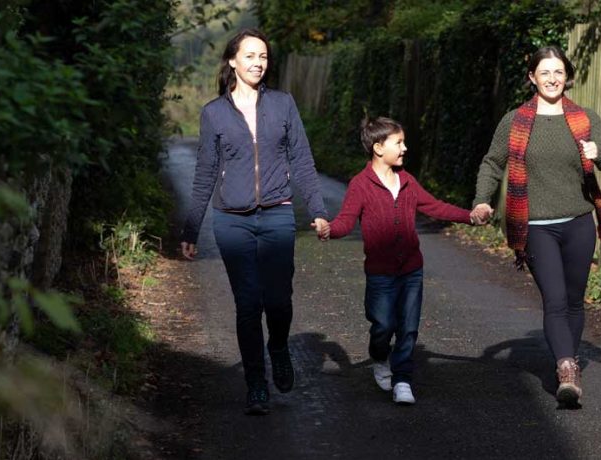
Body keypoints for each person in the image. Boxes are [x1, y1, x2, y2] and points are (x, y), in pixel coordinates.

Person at [180, 28, 329, 416]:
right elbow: (205, 173)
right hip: (232, 222)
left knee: (278, 301)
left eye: (263, 56)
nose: (257, 63)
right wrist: (190, 228)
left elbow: (302, 160)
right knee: (248, 304)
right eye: (249, 56)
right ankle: (256, 384)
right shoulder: (213, 113)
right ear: (232, 60)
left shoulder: (283, 105)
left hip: (278, 213)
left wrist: (317, 209)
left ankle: (278, 347)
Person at [471, 45, 601, 406]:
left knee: (573, 301)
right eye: (544, 73)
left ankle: (567, 362)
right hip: (535, 225)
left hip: (579, 223)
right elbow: (492, 163)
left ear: (567, 76)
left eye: (558, 72)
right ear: (532, 78)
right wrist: (482, 199)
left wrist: (597, 152)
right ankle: (567, 369)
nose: (552, 79)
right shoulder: (515, 121)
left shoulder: (585, 119)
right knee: (554, 300)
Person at [314, 116, 477, 405]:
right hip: (380, 274)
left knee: (408, 327)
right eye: (398, 143)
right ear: (378, 148)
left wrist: (469, 216)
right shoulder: (360, 185)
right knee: (383, 325)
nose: (405, 148)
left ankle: (402, 379)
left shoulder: (408, 182)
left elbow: (435, 207)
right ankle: (379, 356)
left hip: (411, 269)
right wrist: (329, 229)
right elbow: (346, 220)